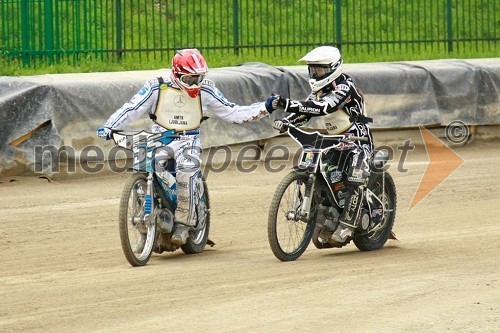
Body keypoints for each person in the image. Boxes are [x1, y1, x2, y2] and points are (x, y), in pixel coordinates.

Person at [97, 48, 273, 248]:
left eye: (199, 77)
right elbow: (132, 108)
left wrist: (265, 107)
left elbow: (232, 112)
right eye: (190, 78)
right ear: (177, 73)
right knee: (143, 166)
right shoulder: (157, 86)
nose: (195, 82)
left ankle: (183, 222)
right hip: (159, 138)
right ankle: (144, 230)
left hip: (188, 140)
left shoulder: (206, 89)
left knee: (186, 170)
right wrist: (110, 126)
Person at [265, 46, 374, 244]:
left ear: (334, 68)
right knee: (325, 173)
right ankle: (329, 215)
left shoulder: (344, 86)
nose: (315, 74)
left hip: (358, 139)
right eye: (313, 70)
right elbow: (306, 111)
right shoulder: (319, 90)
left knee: (355, 176)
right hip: (335, 141)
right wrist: (288, 121)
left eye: (320, 70)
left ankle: (348, 225)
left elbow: (325, 107)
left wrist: (286, 103)